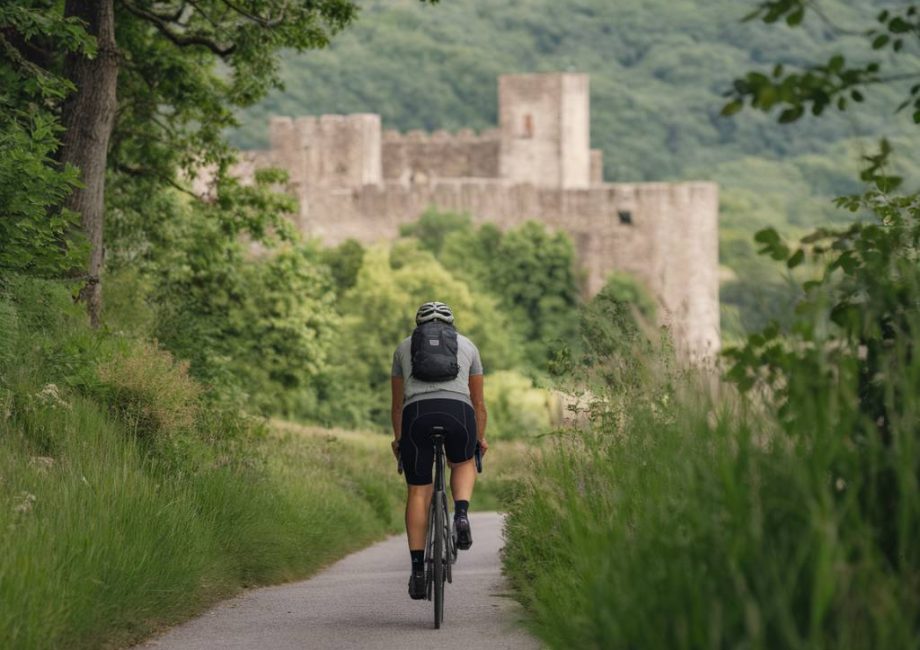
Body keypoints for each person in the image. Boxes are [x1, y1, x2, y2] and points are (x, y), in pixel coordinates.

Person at [391, 301, 488, 600]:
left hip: (416, 415)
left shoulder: (404, 348)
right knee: (463, 461)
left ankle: (418, 570)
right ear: (451, 323)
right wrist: (479, 440)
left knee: (419, 492)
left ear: (418, 323)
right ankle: (460, 514)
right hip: (458, 413)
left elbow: (396, 405)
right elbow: (479, 404)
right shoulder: (468, 345)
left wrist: (399, 441)